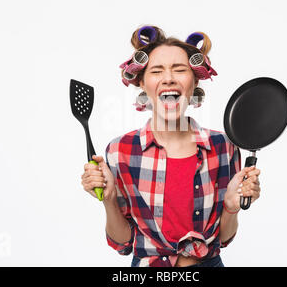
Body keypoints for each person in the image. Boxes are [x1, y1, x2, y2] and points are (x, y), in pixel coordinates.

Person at [81, 25, 261, 267]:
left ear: (194, 80)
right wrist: (109, 199)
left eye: (179, 70)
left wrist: (231, 208)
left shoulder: (223, 147)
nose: (168, 78)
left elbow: (224, 239)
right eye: (156, 71)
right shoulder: (120, 151)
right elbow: (123, 243)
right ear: (142, 83)